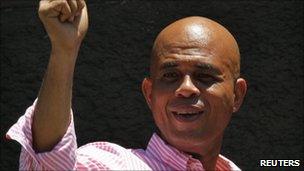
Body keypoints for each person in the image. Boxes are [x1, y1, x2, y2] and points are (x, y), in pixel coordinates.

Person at [6, 0, 247, 170]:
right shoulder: (109, 164)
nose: (186, 88)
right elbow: (48, 161)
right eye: (170, 76)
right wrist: (64, 50)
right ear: (149, 93)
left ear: (237, 95)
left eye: (204, 77)